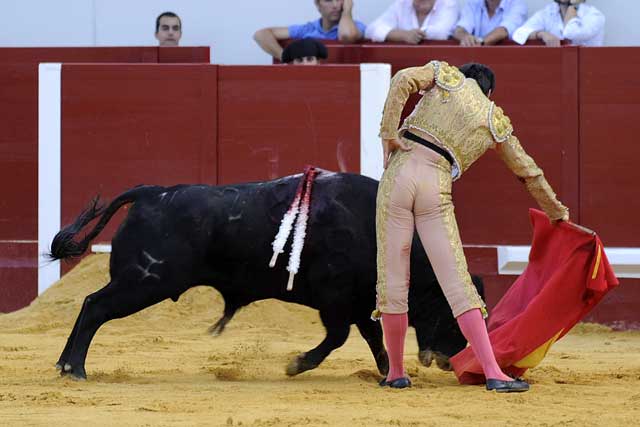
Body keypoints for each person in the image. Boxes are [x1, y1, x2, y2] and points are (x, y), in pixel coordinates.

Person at [373, 61, 569, 392]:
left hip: (401, 170)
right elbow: (529, 173)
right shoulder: (494, 118)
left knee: (393, 276)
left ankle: (396, 373)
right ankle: (493, 372)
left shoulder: (443, 76)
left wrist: (388, 132)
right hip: (436, 184)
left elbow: (404, 78)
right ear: (489, 92)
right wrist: (557, 213)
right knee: (457, 281)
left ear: (462, 76)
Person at [254, 0, 366, 60]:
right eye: (328, 0)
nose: (336, 5)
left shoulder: (357, 27)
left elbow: (347, 35)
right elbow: (261, 35)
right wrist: (285, 57)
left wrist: (347, 11)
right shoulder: (308, 29)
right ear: (317, 4)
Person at [512, 0, 605, 47]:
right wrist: (541, 34)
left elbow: (570, 33)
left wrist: (572, 6)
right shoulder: (547, 13)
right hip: (556, 70)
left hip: (587, 73)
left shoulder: (594, 15)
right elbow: (518, 34)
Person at [365, 0, 459, 44]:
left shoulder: (448, 3)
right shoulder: (402, 4)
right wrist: (403, 35)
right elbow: (371, 29)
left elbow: (441, 32)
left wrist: (414, 35)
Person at [453, 0, 527, 46]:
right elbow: (459, 29)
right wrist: (465, 37)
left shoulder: (517, 3)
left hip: (505, 57)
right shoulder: (473, 2)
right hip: (474, 59)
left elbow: (503, 31)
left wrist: (480, 43)